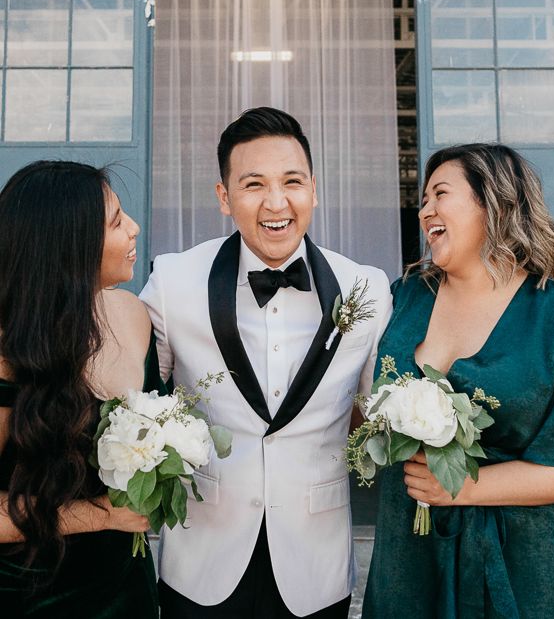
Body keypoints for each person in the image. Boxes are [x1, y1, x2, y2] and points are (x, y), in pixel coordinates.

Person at [362, 143, 554, 619]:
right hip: (408, 559)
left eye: (440, 194)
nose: (425, 210)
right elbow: (356, 402)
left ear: (494, 202)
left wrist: (465, 486)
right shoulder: (402, 299)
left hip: (514, 559)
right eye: (424, 200)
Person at [140, 106, 392, 618]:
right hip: (200, 559)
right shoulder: (173, 281)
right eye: (253, 184)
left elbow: (378, 413)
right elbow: (138, 402)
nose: (276, 202)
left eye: (292, 182)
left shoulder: (367, 288)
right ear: (223, 197)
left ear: (314, 190)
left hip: (315, 562)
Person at [0, 161, 163, 617]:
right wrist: (101, 515)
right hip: (34, 598)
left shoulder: (132, 314)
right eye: (115, 222)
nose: (133, 228)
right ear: (68, 246)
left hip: (125, 591)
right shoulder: (6, 353)